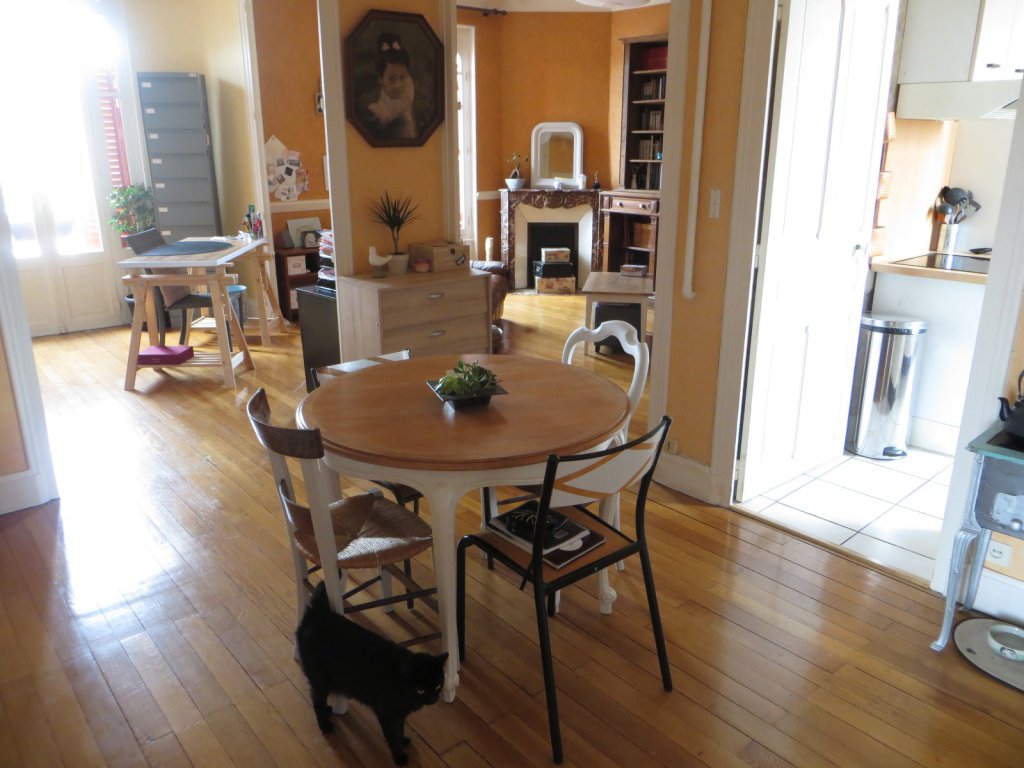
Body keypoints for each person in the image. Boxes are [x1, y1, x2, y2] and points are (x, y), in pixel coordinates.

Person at [367, 32, 417, 140]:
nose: (398, 85)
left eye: (402, 77)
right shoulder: (377, 112)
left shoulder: (408, 96)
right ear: (381, 79)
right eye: (391, 79)